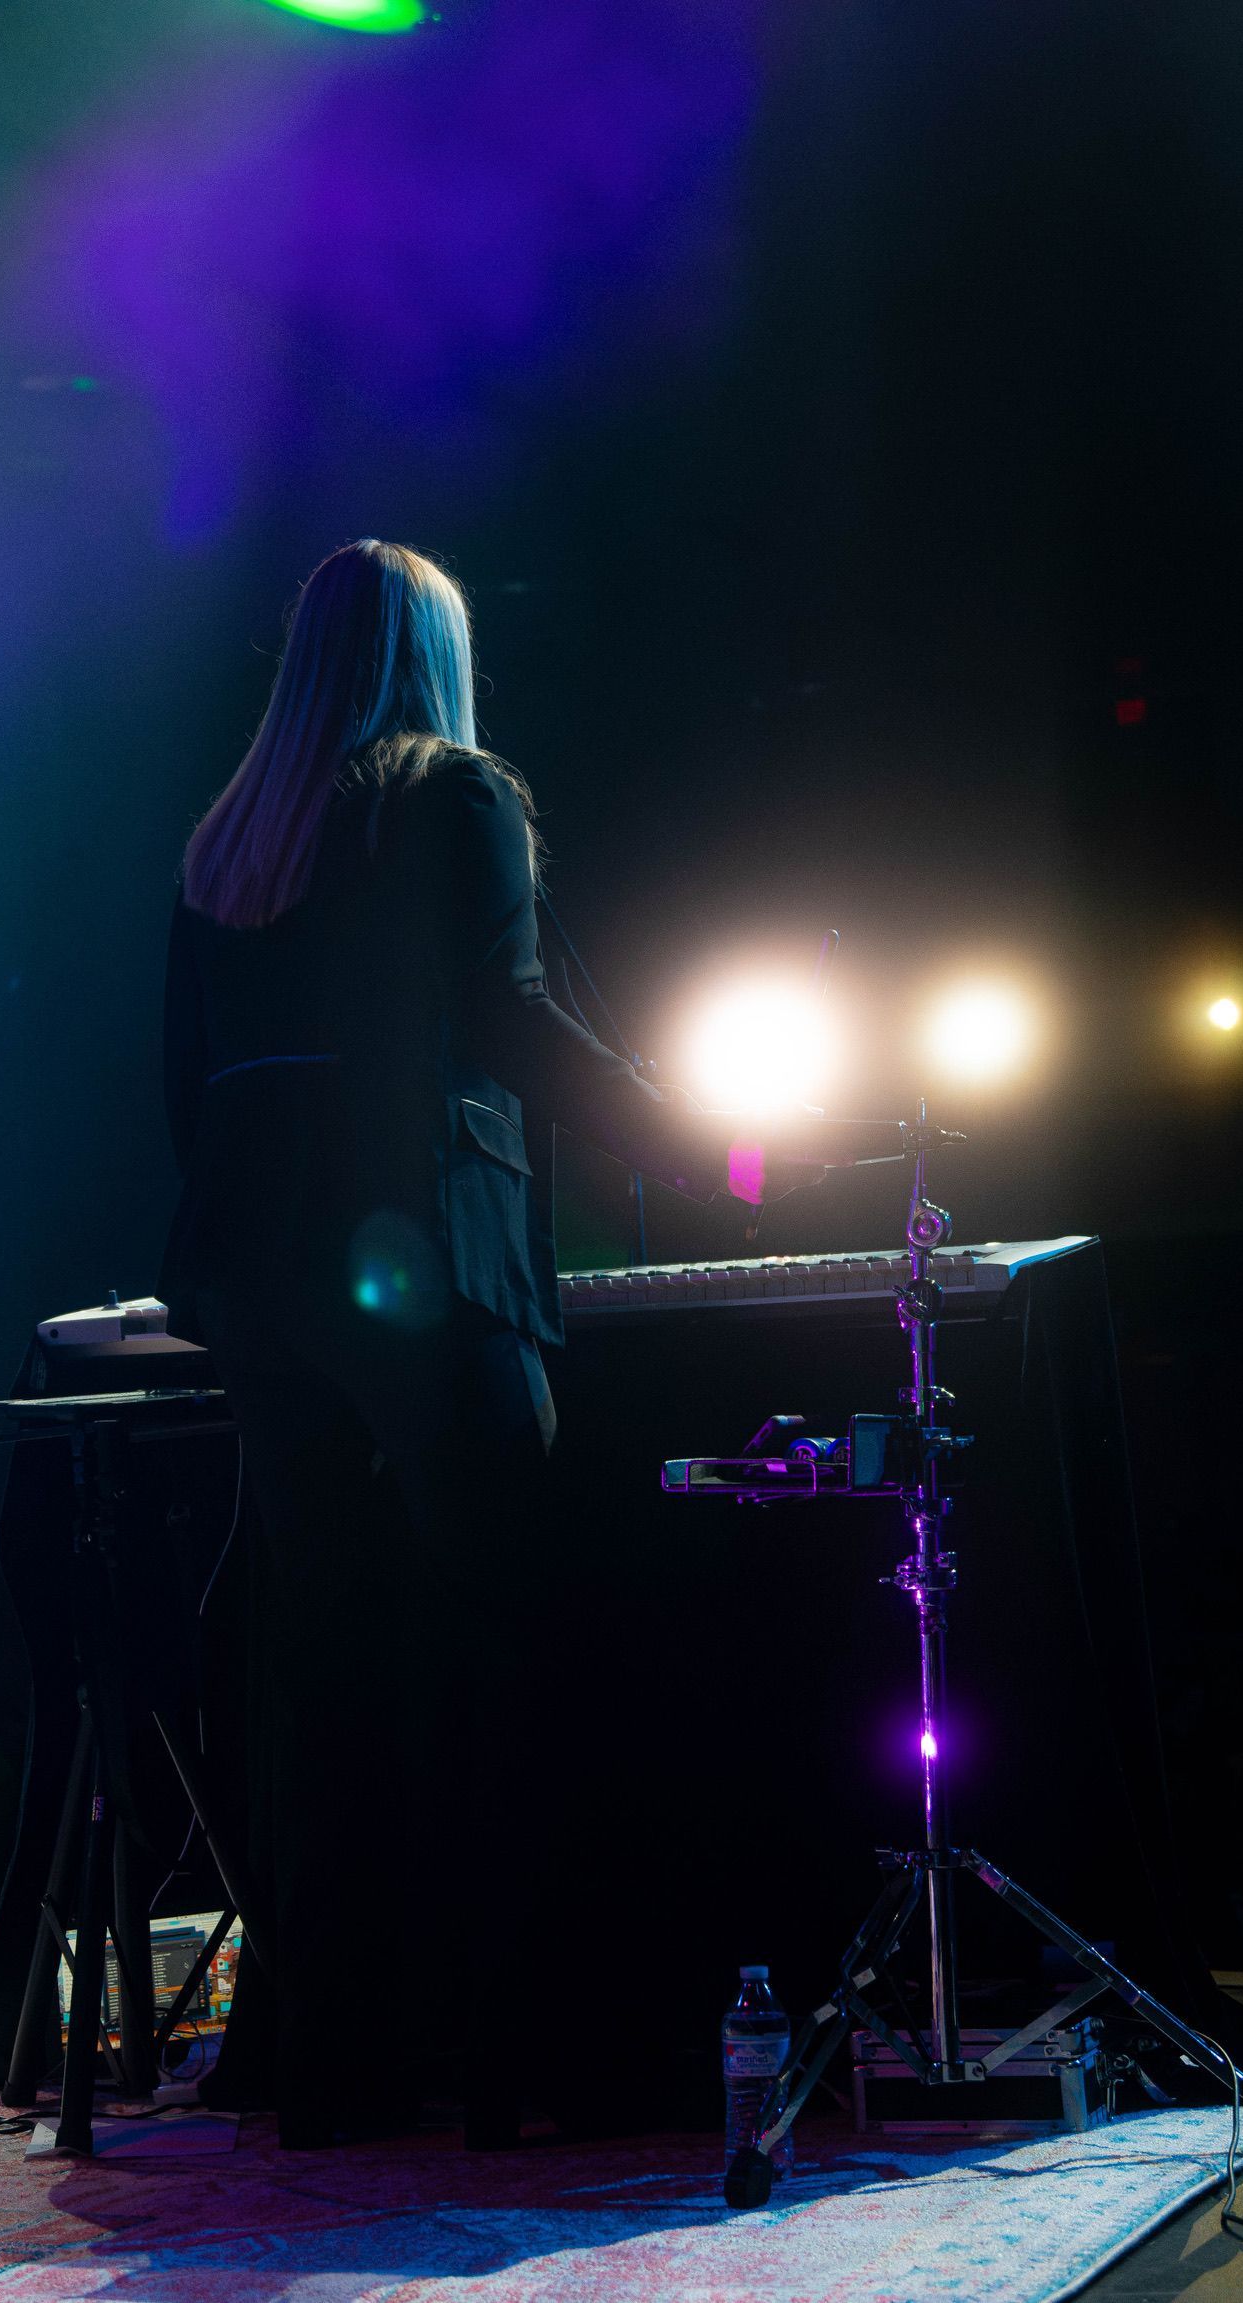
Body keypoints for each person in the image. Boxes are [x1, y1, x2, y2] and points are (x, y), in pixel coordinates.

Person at [158, 539, 811, 2149]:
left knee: (322, 1670)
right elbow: (511, 1018)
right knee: (501, 1649)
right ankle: (523, 2057)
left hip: (256, 1283)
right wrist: (694, 1139)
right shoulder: (453, 793)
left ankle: (329, 2066)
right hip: (426, 1254)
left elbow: (185, 1089)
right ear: (434, 658)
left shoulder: (231, 844)